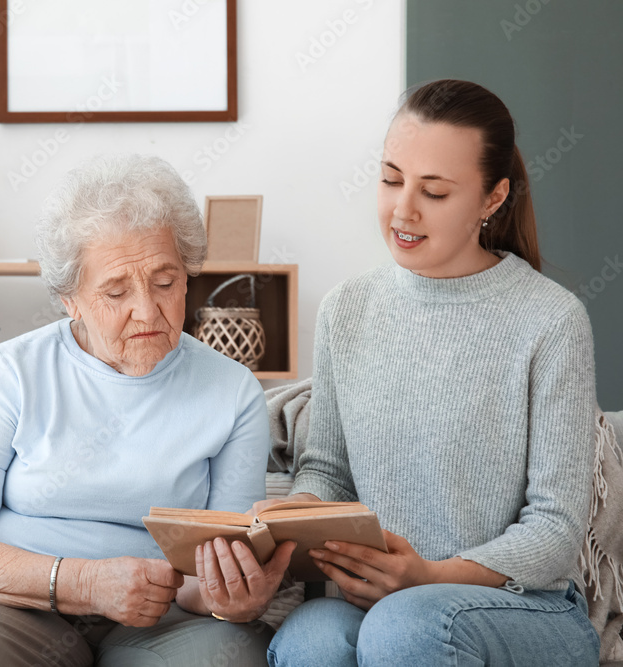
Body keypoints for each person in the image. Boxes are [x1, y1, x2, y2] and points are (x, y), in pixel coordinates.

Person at [248, 79, 599, 665]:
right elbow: (328, 470)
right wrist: (288, 516)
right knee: (310, 639)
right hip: (373, 601)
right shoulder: (347, 309)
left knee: (403, 627)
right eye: (390, 179)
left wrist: (428, 575)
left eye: (434, 192)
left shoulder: (552, 320)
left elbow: (556, 533)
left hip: (519, 608)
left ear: (493, 199)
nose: (402, 209)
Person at [0, 153, 294, 667]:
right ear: (70, 299)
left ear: (187, 277)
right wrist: (84, 583)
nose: (147, 310)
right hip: (22, 606)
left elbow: (208, 573)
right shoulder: (9, 373)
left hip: (161, 621)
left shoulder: (232, 391)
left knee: (229, 658)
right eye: (116, 291)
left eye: (165, 282)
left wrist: (229, 595)